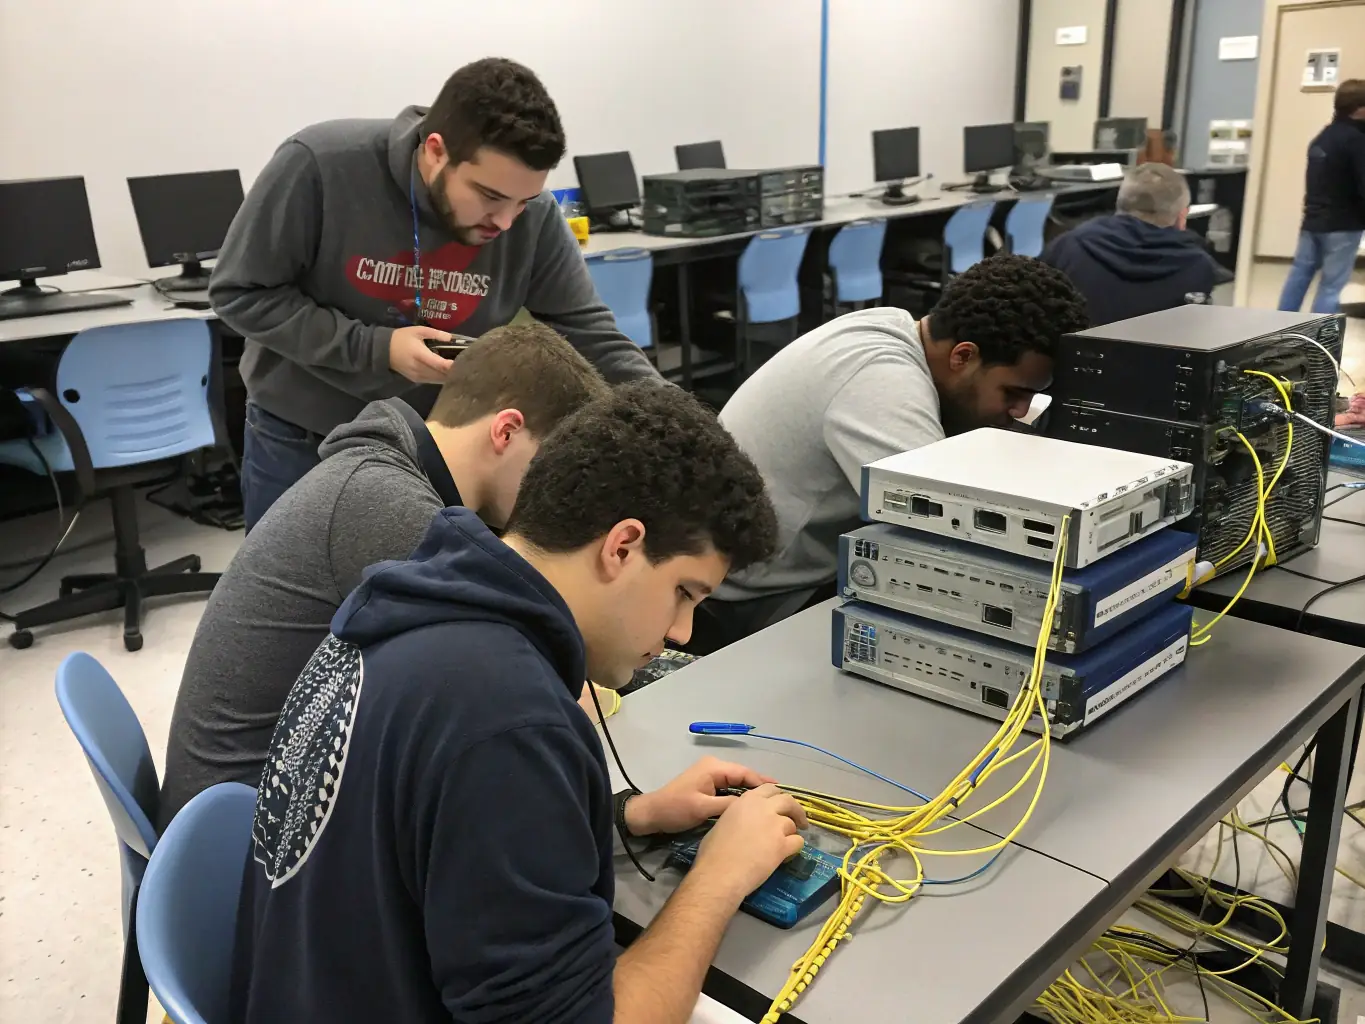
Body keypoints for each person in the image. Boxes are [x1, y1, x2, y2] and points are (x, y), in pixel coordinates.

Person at [230, 382, 799, 1024]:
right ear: (622, 546)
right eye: (684, 594)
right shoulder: (509, 719)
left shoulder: (411, 606)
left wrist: (628, 816)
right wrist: (718, 879)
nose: (681, 633)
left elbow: (434, 833)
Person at [158, 323, 608, 829]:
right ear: (505, 431)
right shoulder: (390, 507)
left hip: (244, 803)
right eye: (553, 467)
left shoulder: (382, 469)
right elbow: (522, 692)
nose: (556, 493)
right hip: (246, 833)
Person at [209, 57, 658, 529]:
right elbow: (240, 293)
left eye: (523, 202)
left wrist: (671, 424)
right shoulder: (320, 164)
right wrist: (378, 349)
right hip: (303, 438)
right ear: (437, 151)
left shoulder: (535, 216)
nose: (506, 222)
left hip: (434, 445)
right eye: (490, 197)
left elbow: (588, 332)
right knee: (297, 576)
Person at [691, 254, 1089, 654]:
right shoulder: (882, 383)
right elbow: (958, 532)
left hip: (789, 571)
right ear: (963, 356)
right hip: (744, 600)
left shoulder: (895, 327)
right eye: (1013, 392)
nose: (1021, 411)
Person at [1040, 162, 1225, 326]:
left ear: (1119, 203)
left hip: (1076, 353)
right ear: (1182, 216)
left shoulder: (1066, 247)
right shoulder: (1199, 267)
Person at [1278, 78, 1365, 315]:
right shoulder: (1357, 141)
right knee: (1331, 287)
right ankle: (1319, 334)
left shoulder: (1322, 137)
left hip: (1313, 221)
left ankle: (1278, 324)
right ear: (1358, 109)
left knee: (1299, 275)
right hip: (1344, 225)